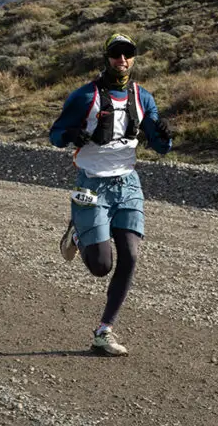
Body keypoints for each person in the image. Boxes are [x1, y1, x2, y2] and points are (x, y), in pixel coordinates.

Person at [49, 31, 172, 356]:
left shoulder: (143, 98)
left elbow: (159, 145)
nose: (122, 60)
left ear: (133, 58)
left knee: (130, 256)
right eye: (116, 54)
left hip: (128, 184)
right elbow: (55, 134)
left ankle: (104, 331)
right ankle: (78, 234)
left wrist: (164, 137)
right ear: (107, 57)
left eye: (127, 54)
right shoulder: (83, 97)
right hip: (91, 184)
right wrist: (70, 135)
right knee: (102, 265)